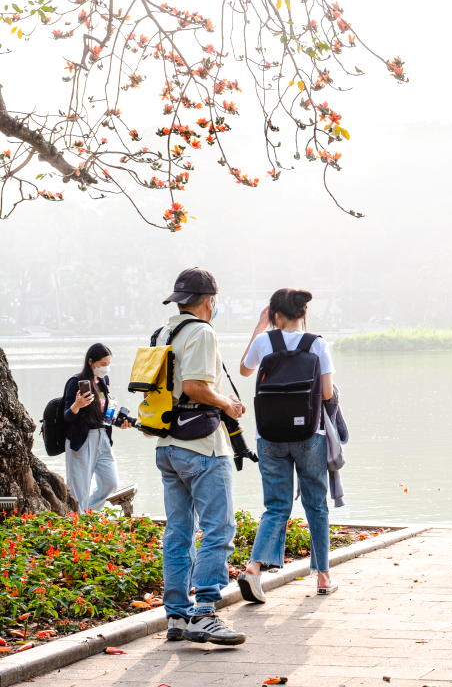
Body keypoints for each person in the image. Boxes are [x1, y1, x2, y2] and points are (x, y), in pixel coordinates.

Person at [154, 267, 247, 646]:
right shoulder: (203, 332)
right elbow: (195, 386)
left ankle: (176, 616)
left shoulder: (165, 331)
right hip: (202, 445)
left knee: (178, 532)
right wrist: (228, 402)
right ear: (210, 300)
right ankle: (205, 612)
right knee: (219, 529)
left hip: (167, 445)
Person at [236, 288, 338, 602]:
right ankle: (322, 577)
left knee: (276, 506)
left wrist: (259, 327)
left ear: (275, 315)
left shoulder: (264, 342)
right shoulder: (317, 344)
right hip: (309, 436)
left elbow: (244, 369)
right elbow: (325, 393)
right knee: (316, 506)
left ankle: (254, 569)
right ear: (303, 313)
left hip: (268, 437)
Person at [62, 343, 131, 511]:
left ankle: (88, 513)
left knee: (110, 482)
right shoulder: (75, 382)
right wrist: (77, 404)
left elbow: (102, 411)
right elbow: (67, 416)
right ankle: (80, 525)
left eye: (108, 364)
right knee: (80, 489)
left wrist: (117, 421)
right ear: (91, 362)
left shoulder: (103, 380)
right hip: (82, 439)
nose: (106, 368)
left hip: (102, 437)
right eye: (102, 364)